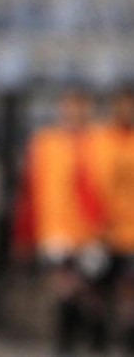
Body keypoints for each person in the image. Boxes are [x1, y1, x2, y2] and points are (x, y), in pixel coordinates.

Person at [13, 88, 109, 355]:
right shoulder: (46, 142)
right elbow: (32, 189)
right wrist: (27, 233)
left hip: (92, 233)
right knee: (65, 292)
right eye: (68, 106)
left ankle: (95, 343)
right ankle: (66, 345)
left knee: (91, 295)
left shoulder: (100, 140)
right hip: (57, 232)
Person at [93, 85, 134, 353]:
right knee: (94, 293)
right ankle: (96, 344)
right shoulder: (99, 139)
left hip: (130, 232)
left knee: (128, 294)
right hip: (98, 231)